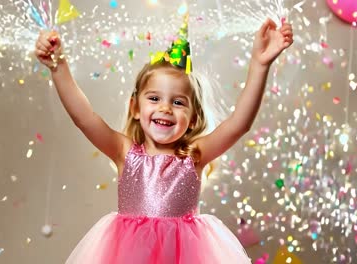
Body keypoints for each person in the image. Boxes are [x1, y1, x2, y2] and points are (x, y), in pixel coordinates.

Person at [35, 16, 293, 264]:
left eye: (178, 102)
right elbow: (85, 118)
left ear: (193, 119)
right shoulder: (125, 151)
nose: (165, 108)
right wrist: (58, 66)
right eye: (154, 98)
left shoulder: (194, 155)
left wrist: (260, 65)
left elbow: (239, 124)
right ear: (135, 108)